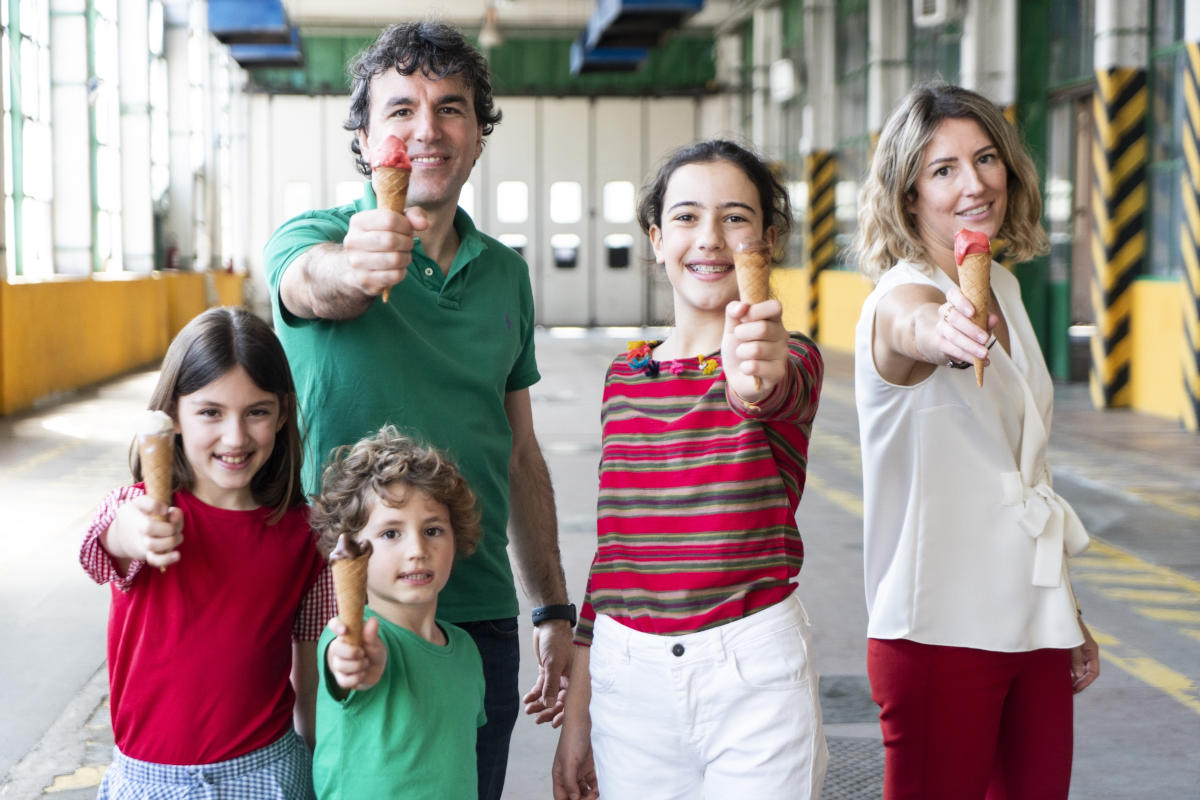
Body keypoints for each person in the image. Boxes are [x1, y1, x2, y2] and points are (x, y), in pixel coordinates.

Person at [263, 21, 572, 798]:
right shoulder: (314, 238)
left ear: (476, 137)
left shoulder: (505, 276)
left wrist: (553, 608)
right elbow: (310, 284)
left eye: (452, 108)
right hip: (349, 613)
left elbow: (521, 454)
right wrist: (356, 265)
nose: (426, 128)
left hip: (479, 611)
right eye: (400, 109)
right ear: (365, 140)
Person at [550, 139, 828, 800]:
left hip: (753, 675)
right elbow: (615, 558)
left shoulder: (790, 359)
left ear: (768, 239)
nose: (709, 238)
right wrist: (577, 714)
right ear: (654, 238)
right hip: (628, 678)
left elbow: (762, 389)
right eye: (685, 217)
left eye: (734, 217)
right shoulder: (625, 376)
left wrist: (754, 371)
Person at [850, 83, 1101, 799]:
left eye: (986, 157)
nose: (974, 182)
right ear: (907, 197)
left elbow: (1025, 474)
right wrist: (944, 331)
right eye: (943, 169)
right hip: (940, 628)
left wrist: (1068, 608)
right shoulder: (899, 298)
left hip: (1033, 619)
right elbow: (913, 327)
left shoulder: (1009, 293)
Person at [79, 307, 334, 799]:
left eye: (256, 411)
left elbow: (310, 674)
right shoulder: (141, 512)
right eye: (210, 412)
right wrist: (134, 534)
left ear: (282, 413)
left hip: (271, 772)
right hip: (148, 782)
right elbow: (98, 548)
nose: (235, 437)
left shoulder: (306, 535)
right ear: (172, 415)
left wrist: (321, 764)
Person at [309, 426, 486, 799]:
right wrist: (353, 661)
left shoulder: (467, 650)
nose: (417, 549)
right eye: (391, 533)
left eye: (433, 530)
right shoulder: (351, 637)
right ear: (353, 549)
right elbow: (346, 663)